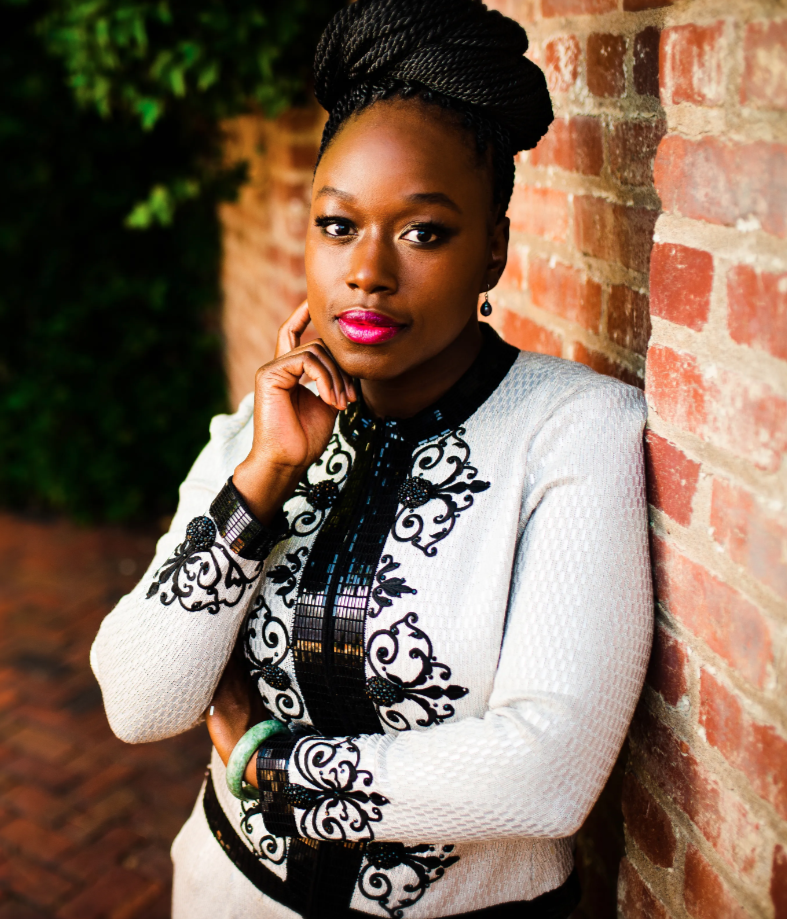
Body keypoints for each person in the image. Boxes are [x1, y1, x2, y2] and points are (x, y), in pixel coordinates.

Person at [91, 1, 653, 916]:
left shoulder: (571, 431)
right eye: (338, 225)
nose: (368, 272)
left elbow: (548, 773)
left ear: (493, 251)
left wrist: (262, 761)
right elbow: (139, 698)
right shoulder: (254, 433)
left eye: (423, 232)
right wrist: (265, 476)